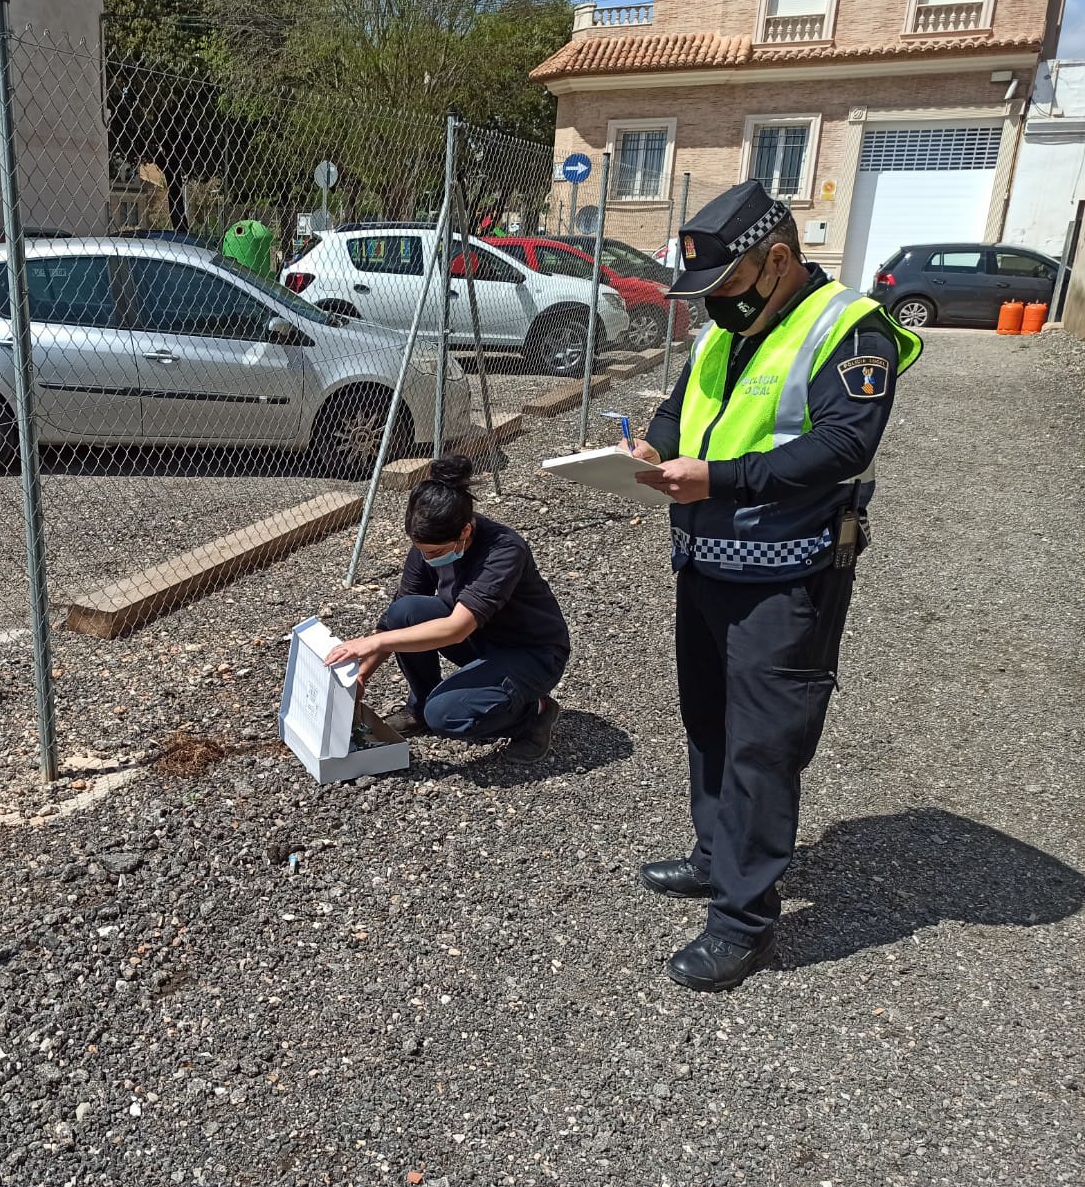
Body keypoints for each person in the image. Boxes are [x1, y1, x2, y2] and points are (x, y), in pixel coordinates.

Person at [623, 181, 922, 992]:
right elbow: (682, 402)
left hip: (786, 576)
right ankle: (715, 855)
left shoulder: (849, 329)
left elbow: (842, 447)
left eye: (724, 286)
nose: (713, 307)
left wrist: (719, 477)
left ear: (777, 259)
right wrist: (651, 452)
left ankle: (745, 921)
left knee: (763, 743)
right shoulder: (733, 326)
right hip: (704, 562)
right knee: (709, 718)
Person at [324, 455, 570, 765]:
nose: (427, 558)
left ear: (465, 531)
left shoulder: (504, 550)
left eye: (435, 553)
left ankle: (534, 715)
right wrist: (361, 676)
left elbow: (456, 628)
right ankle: (421, 705)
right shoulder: (430, 542)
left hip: (532, 653)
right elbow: (396, 618)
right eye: (422, 550)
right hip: (481, 637)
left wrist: (372, 643)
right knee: (405, 612)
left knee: (446, 716)